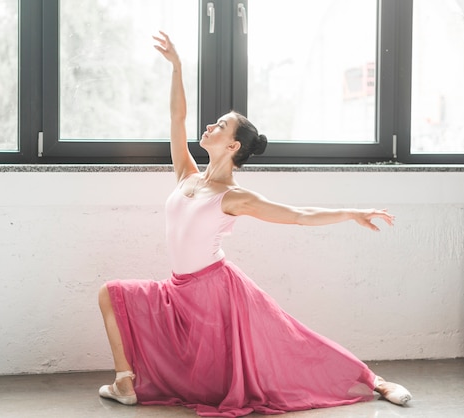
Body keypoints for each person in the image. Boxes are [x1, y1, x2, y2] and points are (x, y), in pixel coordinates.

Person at [97, 31, 412, 417]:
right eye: (213, 122)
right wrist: (178, 68)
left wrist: (351, 212)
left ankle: (372, 381)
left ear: (232, 147)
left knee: (293, 343)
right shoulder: (187, 175)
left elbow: (298, 215)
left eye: (219, 126)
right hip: (177, 290)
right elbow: (176, 117)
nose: (209, 127)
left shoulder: (234, 196)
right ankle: (125, 383)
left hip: (216, 294)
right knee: (111, 295)